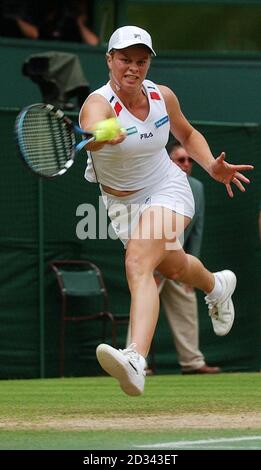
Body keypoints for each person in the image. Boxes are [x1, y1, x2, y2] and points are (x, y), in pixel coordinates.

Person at [79, 25, 253, 396]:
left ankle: (135, 359)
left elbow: (187, 134)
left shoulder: (163, 96)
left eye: (141, 61)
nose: (133, 68)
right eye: (125, 59)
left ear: (148, 64)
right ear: (109, 60)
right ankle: (217, 285)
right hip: (120, 205)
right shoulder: (98, 102)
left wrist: (211, 166)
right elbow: (93, 128)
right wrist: (106, 131)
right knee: (172, 266)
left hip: (167, 187)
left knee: (138, 262)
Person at [157, 142, 220, 374]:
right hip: (152, 260)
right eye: (180, 159)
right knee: (144, 304)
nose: (185, 164)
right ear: (169, 162)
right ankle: (136, 362)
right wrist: (151, 268)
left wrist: (190, 272)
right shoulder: (156, 184)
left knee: (187, 306)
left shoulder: (197, 188)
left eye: (189, 160)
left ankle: (192, 363)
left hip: (179, 260)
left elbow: (196, 230)